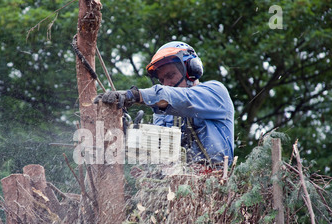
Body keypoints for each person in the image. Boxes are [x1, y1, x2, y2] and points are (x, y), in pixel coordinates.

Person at [94, 41, 234, 168]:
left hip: (216, 184)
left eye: (170, 75)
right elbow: (158, 149)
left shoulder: (215, 93)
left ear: (192, 70)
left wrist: (133, 95)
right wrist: (129, 136)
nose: (167, 84)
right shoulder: (163, 112)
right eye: (162, 80)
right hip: (176, 189)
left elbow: (181, 99)